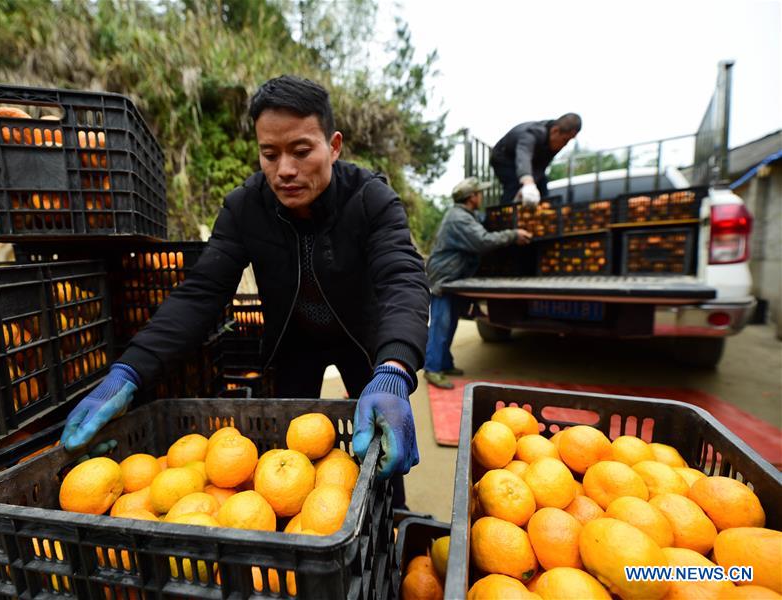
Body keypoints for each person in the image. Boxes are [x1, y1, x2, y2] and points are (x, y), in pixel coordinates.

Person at [59, 75, 429, 506]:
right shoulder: (245, 208)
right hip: (293, 345)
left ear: (334, 145)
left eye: (301, 150)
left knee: (382, 444)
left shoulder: (371, 200)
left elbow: (401, 277)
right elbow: (201, 292)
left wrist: (395, 367)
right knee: (286, 464)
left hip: (364, 343)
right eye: (269, 154)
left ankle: (393, 520)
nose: (284, 170)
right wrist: (129, 371)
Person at [423, 177, 532, 389]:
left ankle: (444, 362)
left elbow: (483, 222)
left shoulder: (465, 215)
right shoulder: (459, 219)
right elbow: (482, 241)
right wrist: (513, 234)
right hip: (445, 276)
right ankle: (432, 369)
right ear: (471, 197)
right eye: (479, 193)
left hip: (454, 276)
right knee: (441, 323)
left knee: (451, 321)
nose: (481, 196)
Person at [489, 113, 582, 206]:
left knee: (542, 186)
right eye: (565, 140)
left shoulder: (554, 143)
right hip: (503, 157)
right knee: (514, 185)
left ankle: (541, 215)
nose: (565, 144)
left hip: (528, 163)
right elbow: (524, 154)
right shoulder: (534, 133)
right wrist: (528, 182)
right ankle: (505, 215)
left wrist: (533, 185)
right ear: (555, 130)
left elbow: (540, 168)